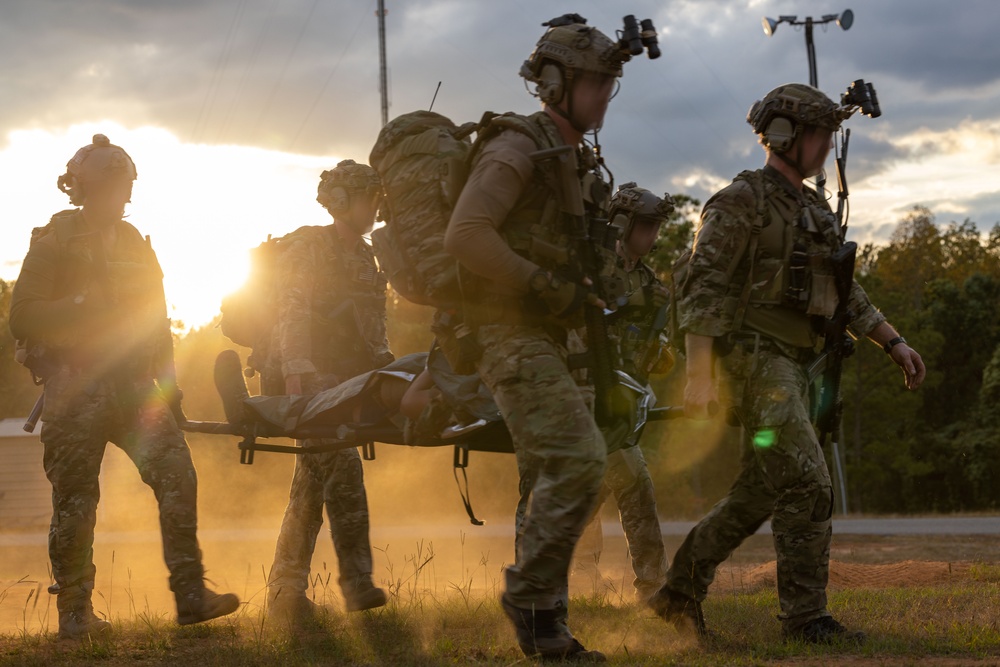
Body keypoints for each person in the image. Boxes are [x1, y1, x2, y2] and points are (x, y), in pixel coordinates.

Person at [648, 83, 926, 643]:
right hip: (756, 361)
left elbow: (844, 292)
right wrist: (701, 374)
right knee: (808, 480)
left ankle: (676, 594)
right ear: (783, 136)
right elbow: (701, 293)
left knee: (760, 493)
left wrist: (893, 341)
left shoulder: (813, 206)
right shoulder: (738, 202)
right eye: (820, 135)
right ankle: (805, 619)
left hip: (800, 367)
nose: (827, 146)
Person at [443, 14, 637, 662]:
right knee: (581, 460)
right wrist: (539, 282)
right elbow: (465, 234)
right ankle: (529, 595)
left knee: (562, 469)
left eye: (611, 82)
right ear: (555, 82)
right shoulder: (518, 147)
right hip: (508, 333)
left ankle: (546, 626)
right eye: (596, 81)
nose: (606, 93)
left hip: (551, 336)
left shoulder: (571, 158)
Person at [8, 134, 240, 639]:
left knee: (177, 475)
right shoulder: (55, 243)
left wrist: (170, 392)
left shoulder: (136, 245)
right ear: (84, 188)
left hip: (136, 390)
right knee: (76, 501)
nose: (121, 195)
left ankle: (191, 595)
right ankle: (75, 613)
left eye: (125, 186)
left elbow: (157, 324)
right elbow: (21, 316)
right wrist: (77, 307)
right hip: (75, 389)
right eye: (111, 185)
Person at [266, 160, 393, 620]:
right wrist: (296, 370)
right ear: (340, 201)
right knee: (340, 465)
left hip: (351, 383)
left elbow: (373, 329)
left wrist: (391, 378)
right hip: (310, 380)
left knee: (309, 487)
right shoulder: (310, 245)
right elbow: (291, 307)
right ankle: (357, 583)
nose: (375, 208)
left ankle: (284, 592)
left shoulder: (365, 256)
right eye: (368, 199)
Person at [570, 183, 675, 603]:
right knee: (635, 483)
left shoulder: (649, 281)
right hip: (586, 396)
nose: (653, 235)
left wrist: (659, 353)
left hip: (625, 401)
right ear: (623, 224)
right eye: (646, 225)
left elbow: (653, 343)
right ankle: (654, 588)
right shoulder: (593, 266)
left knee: (587, 493)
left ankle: (572, 578)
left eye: (657, 227)